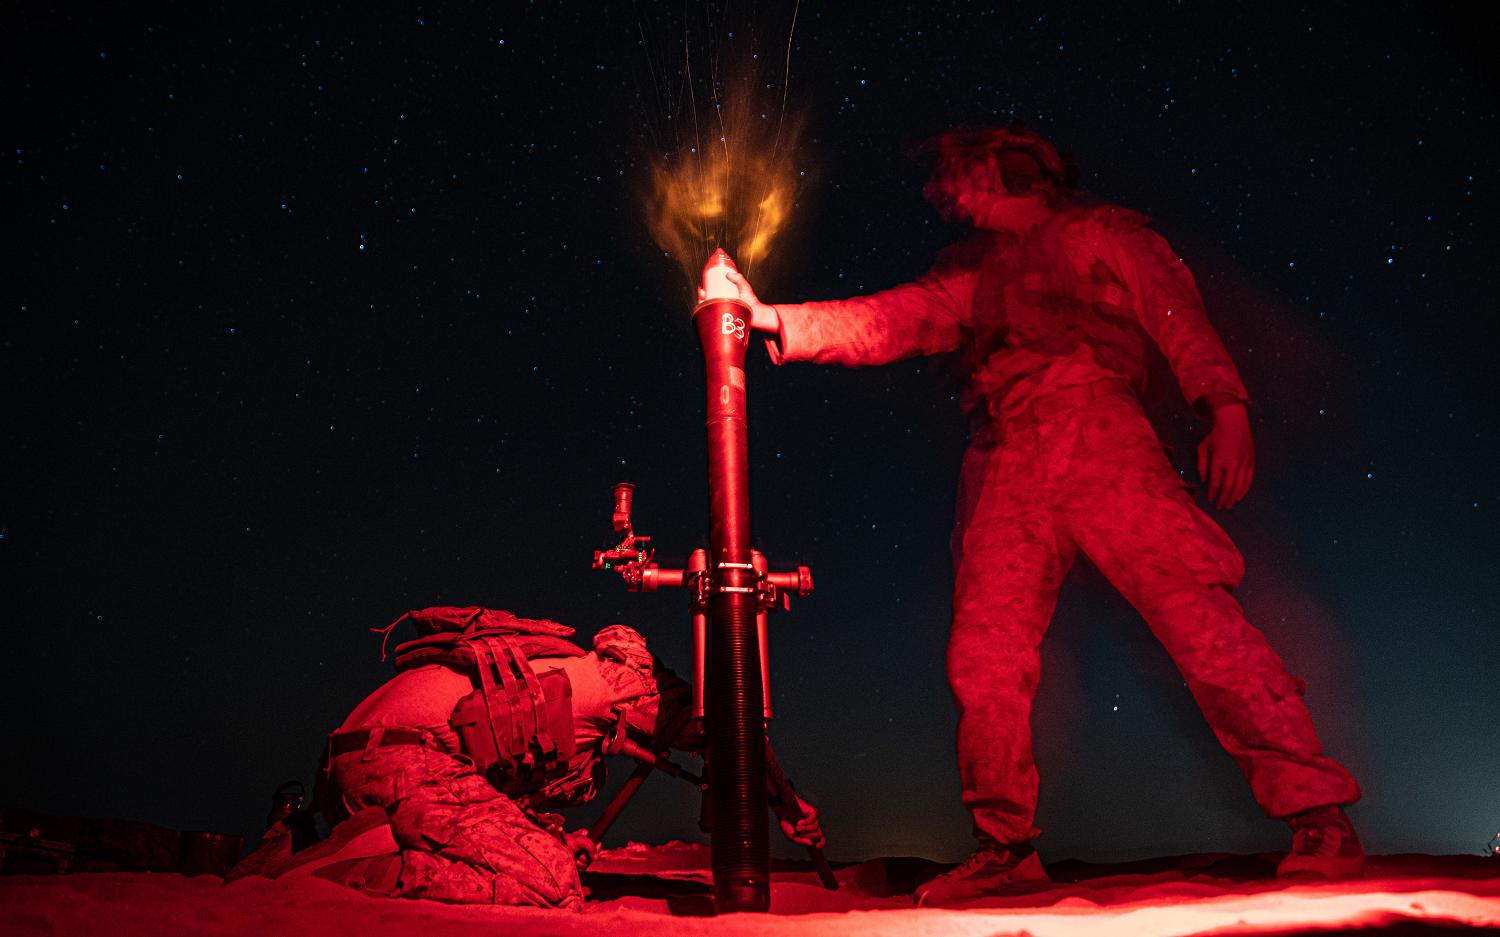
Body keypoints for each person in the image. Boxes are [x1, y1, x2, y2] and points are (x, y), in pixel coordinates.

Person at [722, 124, 1362, 905]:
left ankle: (1318, 815)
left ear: (1017, 170)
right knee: (985, 654)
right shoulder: (972, 275)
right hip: (1004, 453)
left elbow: (1171, 309)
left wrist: (1224, 403)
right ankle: (1004, 846)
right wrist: (772, 318)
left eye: (971, 172)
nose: (955, 192)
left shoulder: (1099, 233)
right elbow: (893, 319)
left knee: (1196, 615)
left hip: (1097, 428)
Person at [232, 608, 823, 910]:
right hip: (397, 764)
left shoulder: (568, 676)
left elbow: (483, 781)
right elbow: (728, 728)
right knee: (553, 882)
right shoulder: (623, 684)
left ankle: (307, 837)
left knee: (549, 853)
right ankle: (339, 872)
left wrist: (545, 831)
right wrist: (792, 805)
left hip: (351, 764)